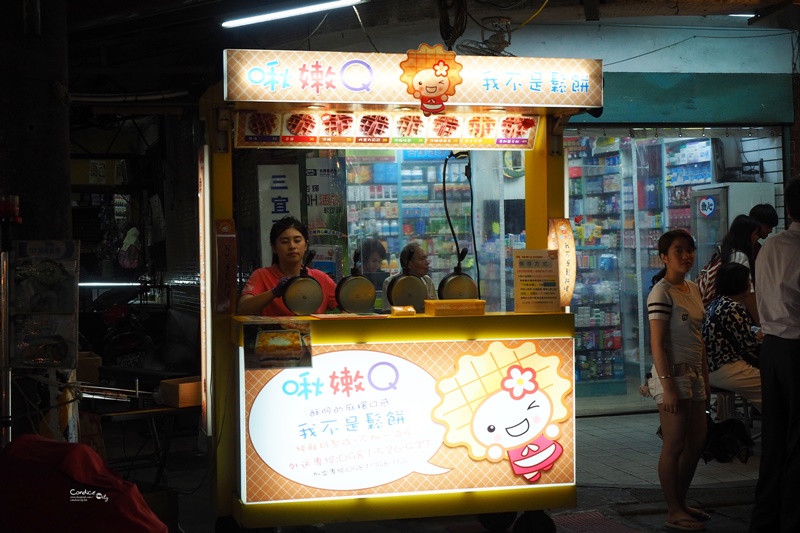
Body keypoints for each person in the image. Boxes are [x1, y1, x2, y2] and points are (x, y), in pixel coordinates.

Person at [645, 229, 710, 532]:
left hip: (695, 375)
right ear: (663, 257)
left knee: (696, 441)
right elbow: (657, 344)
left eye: (690, 250)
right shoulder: (661, 292)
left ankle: (681, 502)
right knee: (673, 444)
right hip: (673, 376)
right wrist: (667, 386)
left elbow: (700, 338)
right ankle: (673, 510)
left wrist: (705, 380)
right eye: (678, 251)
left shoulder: (693, 288)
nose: (686, 256)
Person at [750, 178, 800, 533]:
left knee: (774, 437)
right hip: (797, 348)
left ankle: (765, 519)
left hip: (772, 348)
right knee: (799, 441)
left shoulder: (770, 246)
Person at [237, 216, 337, 316]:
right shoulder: (261, 276)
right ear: (274, 247)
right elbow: (242, 309)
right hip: (275, 331)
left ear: (306, 245)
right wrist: (274, 293)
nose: (292, 246)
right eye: (285, 242)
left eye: (297, 241)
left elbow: (347, 303)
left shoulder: (320, 278)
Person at [702, 262, 762, 413]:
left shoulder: (715, 303)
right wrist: (762, 333)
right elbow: (749, 344)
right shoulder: (733, 308)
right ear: (740, 283)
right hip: (726, 368)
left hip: (711, 368)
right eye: (748, 280)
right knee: (774, 388)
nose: (750, 283)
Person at [719, 214, 761, 325]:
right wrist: (760, 323)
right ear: (746, 235)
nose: (757, 237)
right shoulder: (740, 256)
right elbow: (747, 294)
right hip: (736, 313)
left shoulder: (727, 252)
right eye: (755, 233)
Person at [381, 241, 437, 312]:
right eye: (422, 259)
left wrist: (430, 305)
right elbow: (388, 312)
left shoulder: (428, 281)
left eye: (426, 258)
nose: (427, 263)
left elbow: (436, 310)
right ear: (409, 263)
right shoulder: (390, 283)